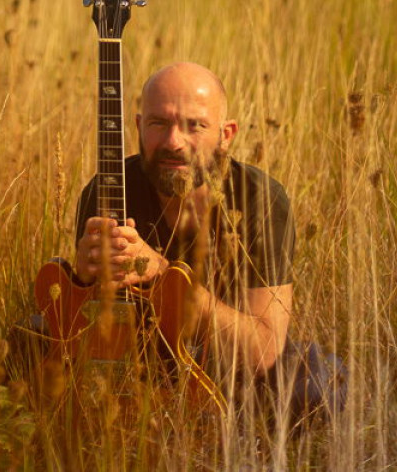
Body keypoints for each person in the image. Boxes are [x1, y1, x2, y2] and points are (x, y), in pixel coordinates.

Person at [68, 61, 346, 427]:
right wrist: (82, 285)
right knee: (23, 346)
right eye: (158, 123)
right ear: (138, 127)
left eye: (194, 126)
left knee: (315, 383)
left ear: (226, 134)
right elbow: (86, 330)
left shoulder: (260, 200)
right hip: (136, 361)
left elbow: (263, 352)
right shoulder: (108, 189)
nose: (173, 142)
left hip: (224, 367)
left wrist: (164, 277)